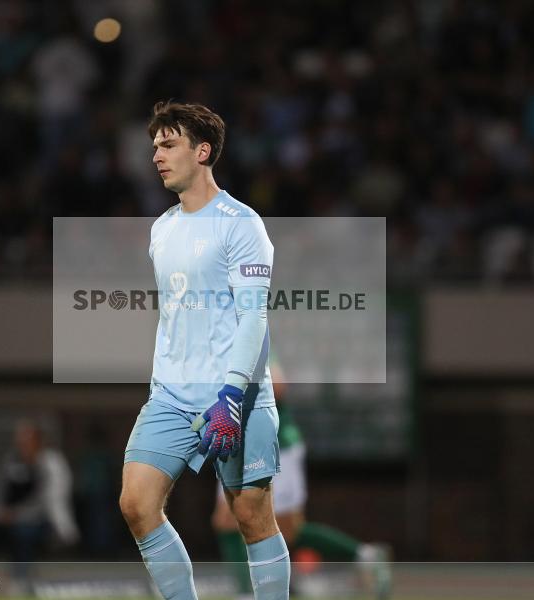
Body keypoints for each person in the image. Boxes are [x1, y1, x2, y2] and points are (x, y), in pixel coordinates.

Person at [119, 101, 288, 600]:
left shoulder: (242, 224)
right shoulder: (162, 229)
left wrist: (233, 394)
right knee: (136, 504)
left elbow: (253, 316)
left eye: (168, 144)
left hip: (237, 394)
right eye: (155, 146)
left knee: (251, 516)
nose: (157, 155)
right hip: (171, 395)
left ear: (203, 151)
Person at [212, 364, 393, 599]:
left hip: (274, 446)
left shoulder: (249, 341)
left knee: (289, 531)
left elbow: (278, 386)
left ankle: (364, 555)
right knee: (227, 520)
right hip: (241, 443)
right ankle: (247, 592)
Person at [0, 420, 79, 583]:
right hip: (9, 517)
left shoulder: (51, 464)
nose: (21, 444)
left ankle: (21, 580)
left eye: (26, 441)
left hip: (45, 520)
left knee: (23, 534)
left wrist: (16, 514)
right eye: (19, 441)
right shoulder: (11, 461)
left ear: (37, 442)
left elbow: (48, 499)